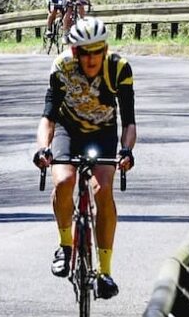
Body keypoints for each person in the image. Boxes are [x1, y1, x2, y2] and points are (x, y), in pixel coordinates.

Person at [32, 16, 136, 300]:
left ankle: (105, 272)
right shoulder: (63, 67)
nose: (92, 59)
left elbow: (129, 122)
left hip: (103, 132)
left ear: (105, 49)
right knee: (64, 181)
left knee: (102, 191)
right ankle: (65, 246)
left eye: (98, 51)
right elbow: (48, 118)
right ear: (75, 53)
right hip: (69, 130)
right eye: (85, 53)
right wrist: (43, 149)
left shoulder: (119, 69)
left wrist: (126, 151)